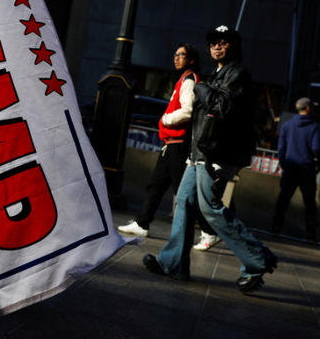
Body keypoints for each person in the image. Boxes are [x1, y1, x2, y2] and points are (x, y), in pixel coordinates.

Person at [143, 25, 278, 294]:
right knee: (183, 202)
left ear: (234, 47)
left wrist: (202, 89)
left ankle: (257, 260)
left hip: (218, 154)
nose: (217, 46)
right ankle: (173, 264)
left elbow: (221, 106)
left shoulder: (237, 74)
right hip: (201, 152)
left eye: (224, 42)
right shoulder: (219, 74)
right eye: (214, 43)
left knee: (210, 208)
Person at [118, 44, 218, 248]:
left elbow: (187, 111)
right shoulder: (184, 79)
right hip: (171, 143)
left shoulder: (190, 80)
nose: (176, 58)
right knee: (156, 184)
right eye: (175, 54)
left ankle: (209, 231)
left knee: (185, 189)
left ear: (191, 60)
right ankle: (142, 222)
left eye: (181, 55)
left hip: (179, 144)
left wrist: (165, 119)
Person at [271, 97, 320, 242]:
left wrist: (284, 163)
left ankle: (276, 227)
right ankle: (310, 235)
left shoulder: (287, 126)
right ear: (308, 108)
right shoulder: (314, 127)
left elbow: (281, 148)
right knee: (310, 203)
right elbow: (317, 148)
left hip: (290, 167)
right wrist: (319, 163)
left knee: (283, 199)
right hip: (306, 168)